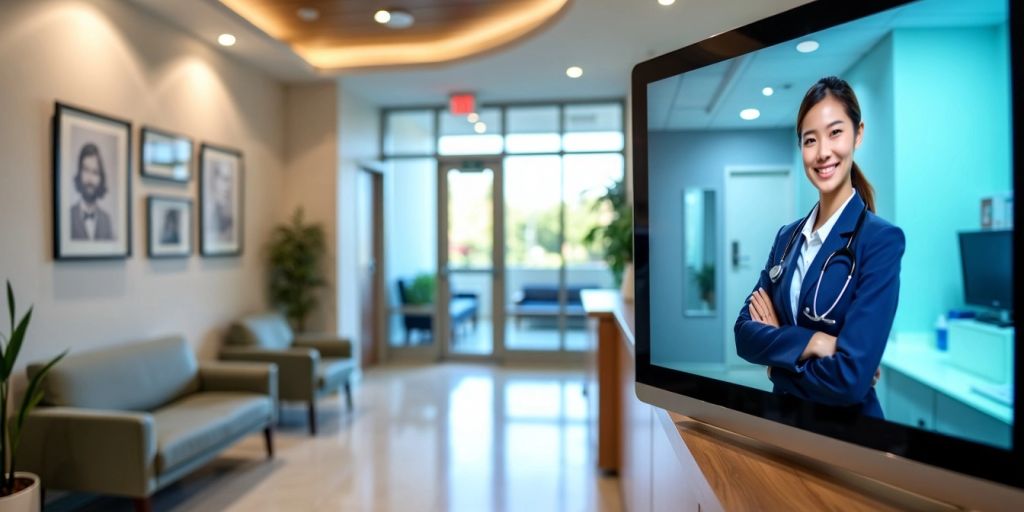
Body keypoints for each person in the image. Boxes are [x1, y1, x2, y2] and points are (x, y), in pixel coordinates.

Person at [733, 76, 905, 419]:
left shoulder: (880, 240)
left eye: (835, 132)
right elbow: (743, 335)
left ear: (858, 134)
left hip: (847, 439)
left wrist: (776, 359)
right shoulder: (786, 238)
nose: (823, 151)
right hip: (784, 426)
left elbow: (851, 380)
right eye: (810, 140)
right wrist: (814, 343)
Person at [70, 143, 115, 241]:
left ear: (101, 178)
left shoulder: (106, 220)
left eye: (95, 172)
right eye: (86, 170)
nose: (90, 179)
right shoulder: (69, 216)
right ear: (79, 173)